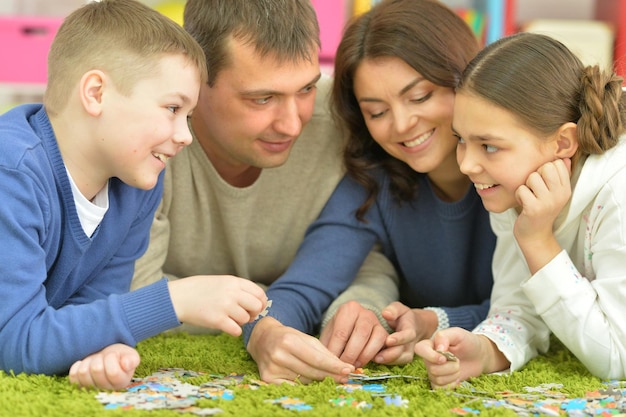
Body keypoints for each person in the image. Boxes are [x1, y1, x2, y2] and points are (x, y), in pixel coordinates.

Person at [0, 0, 268, 391]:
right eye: (172, 108)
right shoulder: (11, 173)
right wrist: (173, 300)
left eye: (188, 116)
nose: (186, 135)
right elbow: (13, 342)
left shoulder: (137, 182)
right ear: (96, 93)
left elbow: (91, 308)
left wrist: (100, 349)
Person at [130, 0, 398, 384]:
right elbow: (138, 292)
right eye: (262, 99)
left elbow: (367, 250)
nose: (292, 124)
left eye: (306, 88)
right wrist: (273, 314)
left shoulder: (348, 118)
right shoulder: (149, 138)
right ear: (196, 79)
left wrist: (360, 306)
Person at [246, 0, 495, 383]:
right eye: (377, 112)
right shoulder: (374, 181)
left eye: (420, 97)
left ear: (465, 78)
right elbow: (303, 285)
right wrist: (266, 333)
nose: (402, 125)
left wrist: (432, 322)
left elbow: (538, 306)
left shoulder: (519, 168)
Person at [415, 32, 626, 388]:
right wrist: (484, 349)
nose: (467, 165)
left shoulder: (617, 195)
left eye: (489, 146)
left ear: (562, 143)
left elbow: (616, 357)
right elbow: (521, 306)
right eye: (462, 140)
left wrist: (538, 241)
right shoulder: (516, 186)